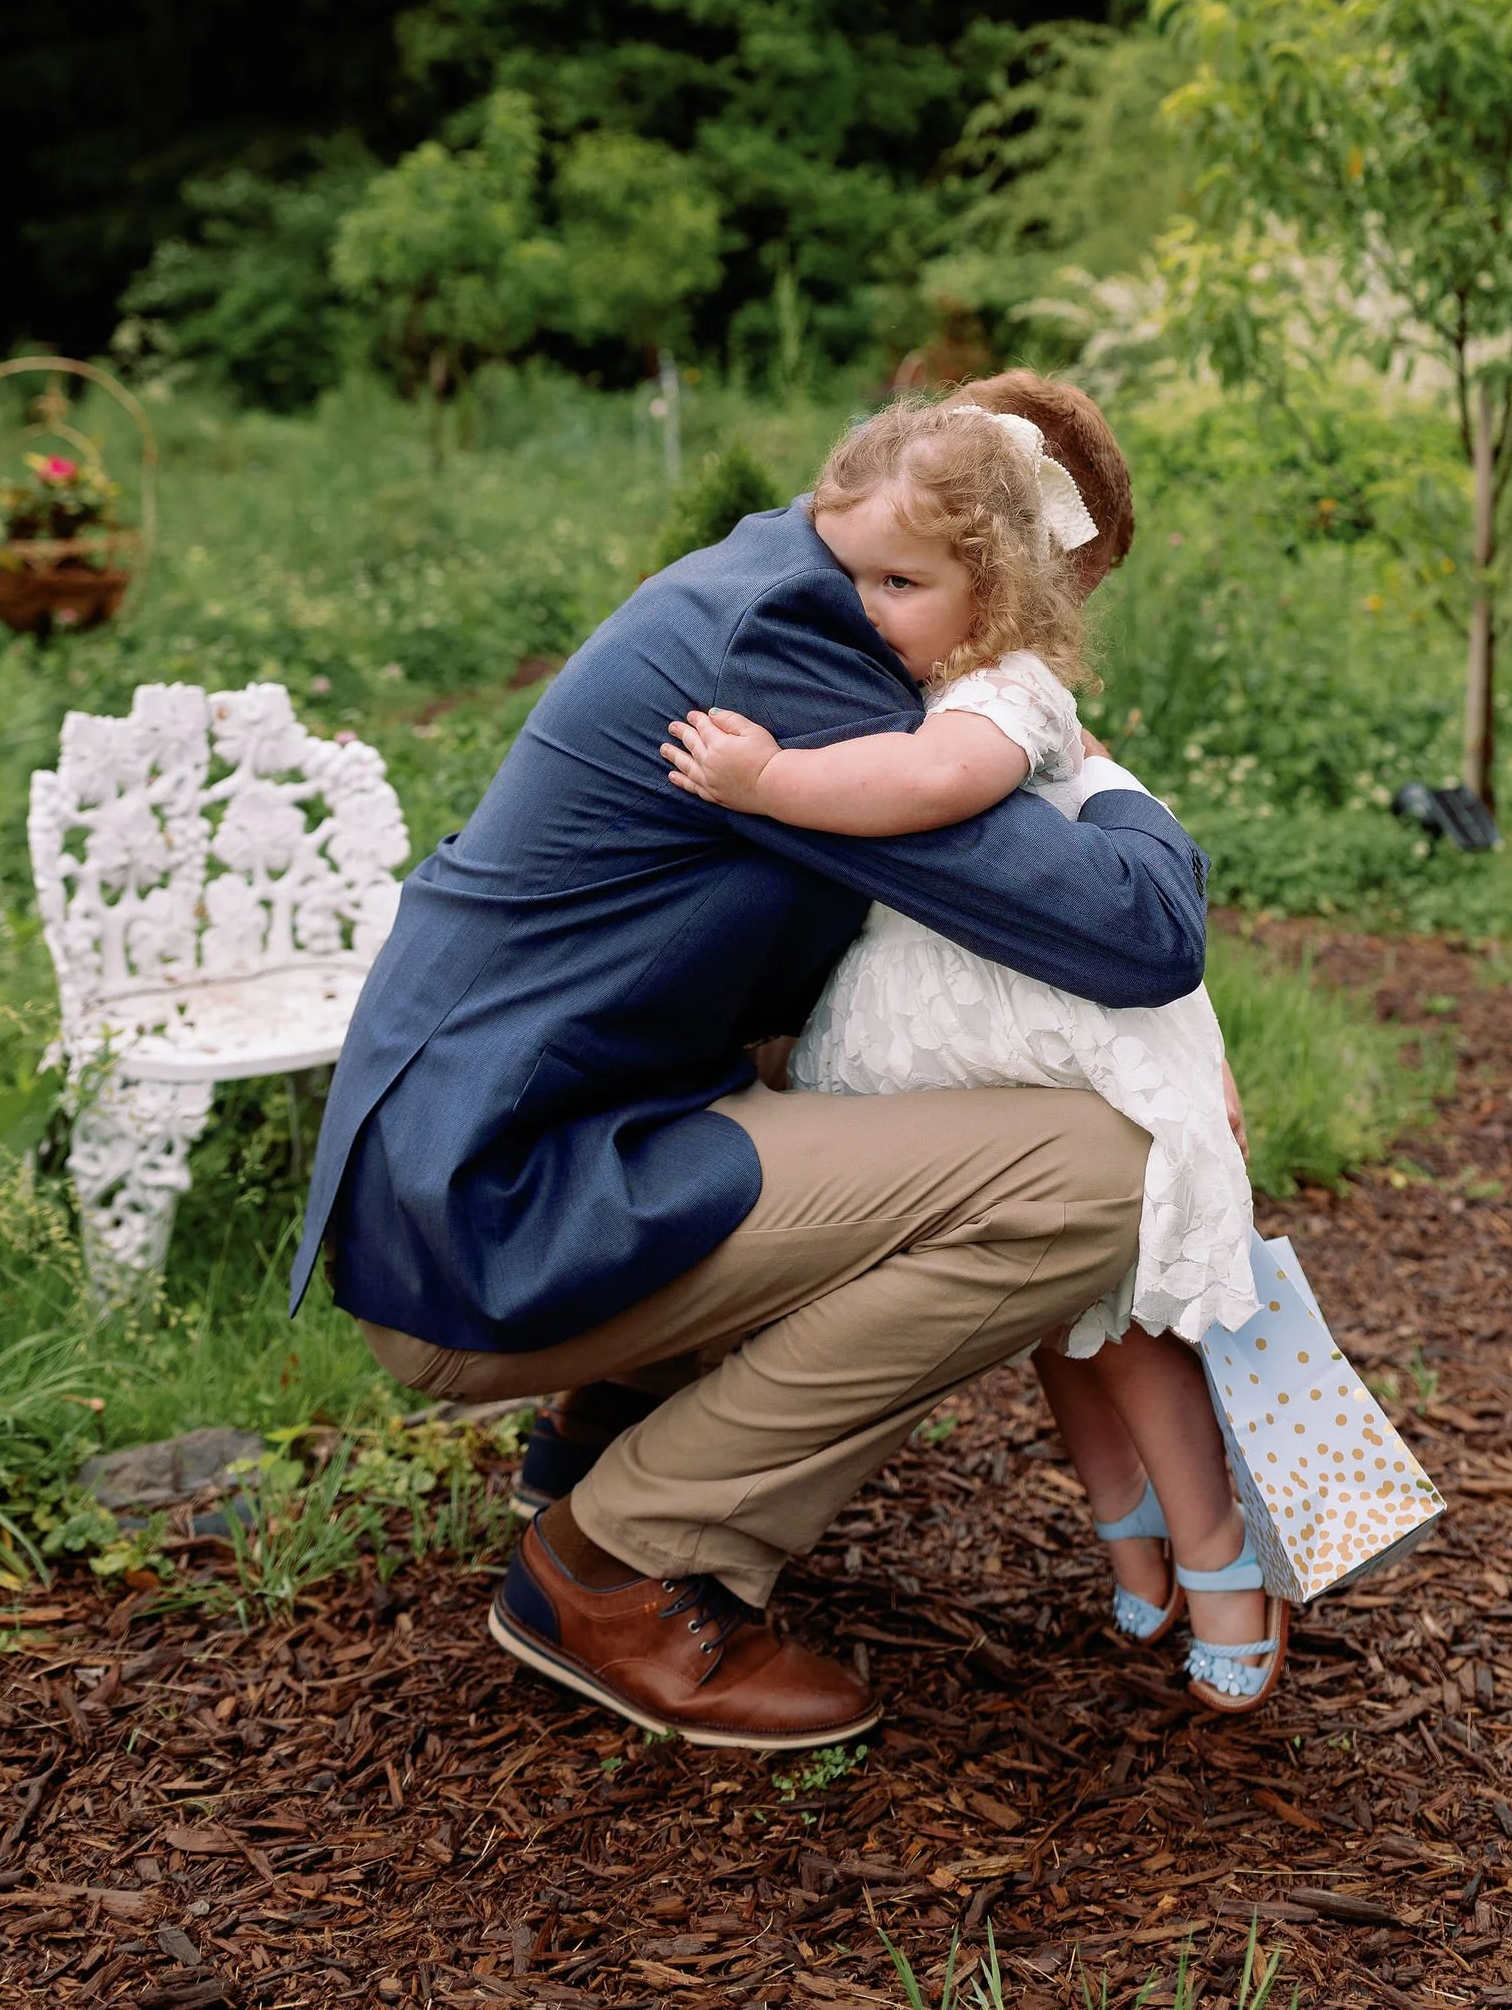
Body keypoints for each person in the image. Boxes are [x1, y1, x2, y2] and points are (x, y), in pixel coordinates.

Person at [288, 372, 1209, 1750]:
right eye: (1026, 619)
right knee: (1099, 1171)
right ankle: (619, 1565)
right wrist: (1097, 768)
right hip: (493, 1213)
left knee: (890, 1089)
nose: (1012, 660)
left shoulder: (773, 576)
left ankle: (606, 1435)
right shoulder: (800, 652)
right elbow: (1142, 930)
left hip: (493, 1153)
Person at [663, 398, 1285, 1712]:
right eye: (855, 577)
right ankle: (1128, 1534)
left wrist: (769, 782)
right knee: (1056, 1316)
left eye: (900, 582)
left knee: (1122, 1320)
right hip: (969, 1037)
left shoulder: (1003, 694)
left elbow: (935, 787)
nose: (866, 608)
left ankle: (1221, 1559)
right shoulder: (922, 666)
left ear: (992, 588)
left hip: (1043, 1023)